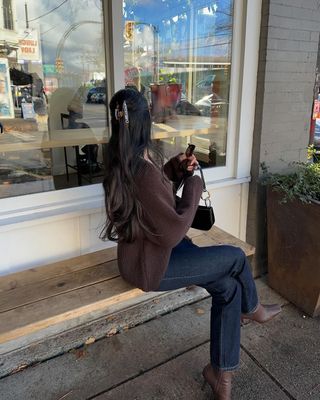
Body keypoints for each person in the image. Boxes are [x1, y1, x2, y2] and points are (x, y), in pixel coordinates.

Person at [101, 88, 281, 400]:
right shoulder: (139, 167)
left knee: (228, 287)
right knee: (236, 258)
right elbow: (172, 228)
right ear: (145, 123)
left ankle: (220, 376)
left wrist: (173, 170)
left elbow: (152, 197)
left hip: (147, 254)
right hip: (154, 264)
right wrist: (194, 184)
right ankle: (253, 309)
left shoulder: (123, 158)